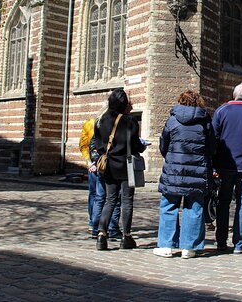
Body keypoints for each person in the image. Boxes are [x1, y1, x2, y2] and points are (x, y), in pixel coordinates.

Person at [154, 90, 216, 259]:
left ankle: (166, 245)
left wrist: (172, 157)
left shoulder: (172, 120)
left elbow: (163, 145)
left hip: (174, 171)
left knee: (168, 206)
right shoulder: (205, 122)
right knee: (194, 207)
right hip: (197, 171)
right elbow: (212, 148)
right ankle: (189, 247)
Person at [95, 89, 147, 251]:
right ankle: (126, 237)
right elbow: (136, 145)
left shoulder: (101, 120)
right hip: (126, 166)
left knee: (110, 200)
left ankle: (102, 236)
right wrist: (143, 146)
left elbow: (98, 146)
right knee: (126, 201)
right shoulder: (130, 121)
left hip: (109, 165)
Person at [212, 83, 242, 253]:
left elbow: (214, 139)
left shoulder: (221, 111)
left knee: (223, 203)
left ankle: (221, 241)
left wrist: (214, 164)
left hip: (224, 166)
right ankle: (238, 242)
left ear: (234, 95)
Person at [80, 117, 121, 240]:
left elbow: (86, 144)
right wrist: (89, 163)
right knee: (103, 196)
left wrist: (90, 162)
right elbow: (84, 145)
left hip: (95, 163)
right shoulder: (94, 124)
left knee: (97, 196)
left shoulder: (93, 123)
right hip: (99, 165)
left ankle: (94, 225)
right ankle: (98, 225)